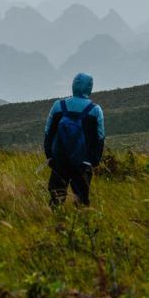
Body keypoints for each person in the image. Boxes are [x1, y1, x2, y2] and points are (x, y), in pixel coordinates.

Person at [43, 72, 105, 207]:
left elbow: (48, 132)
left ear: (73, 86)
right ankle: (81, 224)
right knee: (82, 200)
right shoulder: (95, 110)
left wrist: (50, 156)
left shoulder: (58, 106)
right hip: (83, 162)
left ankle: (55, 223)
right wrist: (94, 161)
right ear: (90, 87)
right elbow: (99, 138)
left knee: (56, 198)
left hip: (59, 159)